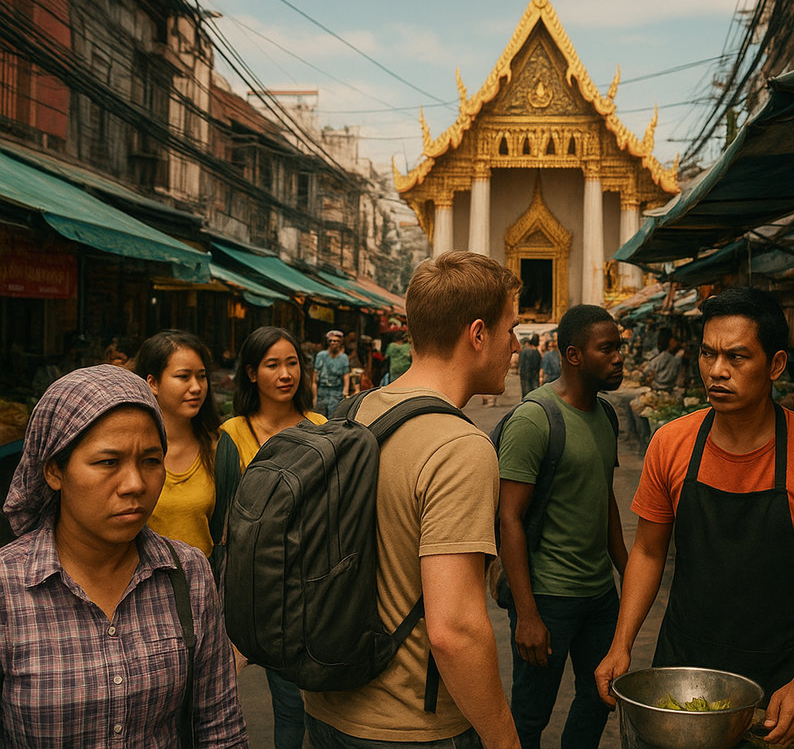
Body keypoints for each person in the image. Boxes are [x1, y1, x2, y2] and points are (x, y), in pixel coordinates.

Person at [594, 287, 794, 746]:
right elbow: (647, 550)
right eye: (708, 354)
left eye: (738, 357)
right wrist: (621, 643)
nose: (717, 371)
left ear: (776, 365)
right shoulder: (671, 443)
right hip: (683, 674)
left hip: (782, 681)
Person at [304, 250, 522, 749]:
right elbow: (454, 630)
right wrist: (504, 739)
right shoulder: (460, 448)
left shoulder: (352, 411)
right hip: (410, 728)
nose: (515, 346)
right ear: (478, 334)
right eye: (510, 329)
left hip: (328, 708)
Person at [1, 364, 247, 746]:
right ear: (54, 471)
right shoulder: (7, 587)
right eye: (108, 462)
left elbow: (219, 728)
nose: (135, 484)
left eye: (151, 461)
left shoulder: (189, 573)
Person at [497, 305, 629, 749]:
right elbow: (509, 517)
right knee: (530, 715)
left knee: (601, 698)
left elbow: (604, 496)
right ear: (573, 355)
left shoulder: (607, 416)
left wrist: (628, 573)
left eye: (619, 347)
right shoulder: (535, 419)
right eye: (606, 349)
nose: (619, 358)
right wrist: (527, 614)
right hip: (548, 598)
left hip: (599, 596)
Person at [220, 326, 326, 749]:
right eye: (272, 365)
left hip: (309, 590)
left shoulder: (321, 426)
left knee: (299, 706)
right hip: (255, 591)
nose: (286, 374)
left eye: (292, 363)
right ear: (251, 373)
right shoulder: (232, 434)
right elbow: (224, 523)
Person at [134, 330, 221, 556]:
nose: (196, 387)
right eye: (184, 376)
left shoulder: (217, 447)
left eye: (201, 376)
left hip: (202, 583)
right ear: (152, 383)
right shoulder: (130, 449)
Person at [313, 329, 351, 417]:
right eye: (331, 341)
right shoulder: (321, 356)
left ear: (340, 342)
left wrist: (345, 393)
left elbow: (346, 376)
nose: (333, 343)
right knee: (319, 419)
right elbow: (314, 379)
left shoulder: (343, 358)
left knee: (333, 419)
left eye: (336, 341)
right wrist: (314, 397)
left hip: (336, 392)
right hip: (322, 391)